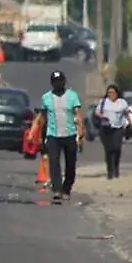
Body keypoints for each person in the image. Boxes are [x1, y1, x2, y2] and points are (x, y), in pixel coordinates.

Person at [34, 70, 85, 203]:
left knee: (70, 164)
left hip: (69, 134)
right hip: (53, 135)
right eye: (55, 82)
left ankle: (66, 188)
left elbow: (78, 114)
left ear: (64, 82)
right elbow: (42, 118)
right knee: (54, 163)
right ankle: (57, 189)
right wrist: (40, 135)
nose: (58, 84)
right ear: (52, 83)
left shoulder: (72, 96)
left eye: (60, 81)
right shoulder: (46, 98)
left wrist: (81, 132)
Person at [93, 84, 132, 180]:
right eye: (109, 93)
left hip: (118, 128)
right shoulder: (103, 102)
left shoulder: (122, 102)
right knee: (108, 150)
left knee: (116, 148)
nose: (110, 94)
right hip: (106, 128)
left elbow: (126, 113)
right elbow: (97, 112)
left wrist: (131, 123)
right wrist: (102, 116)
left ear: (117, 93)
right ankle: (110, 171)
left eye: (112, 92)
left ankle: (116, 168)